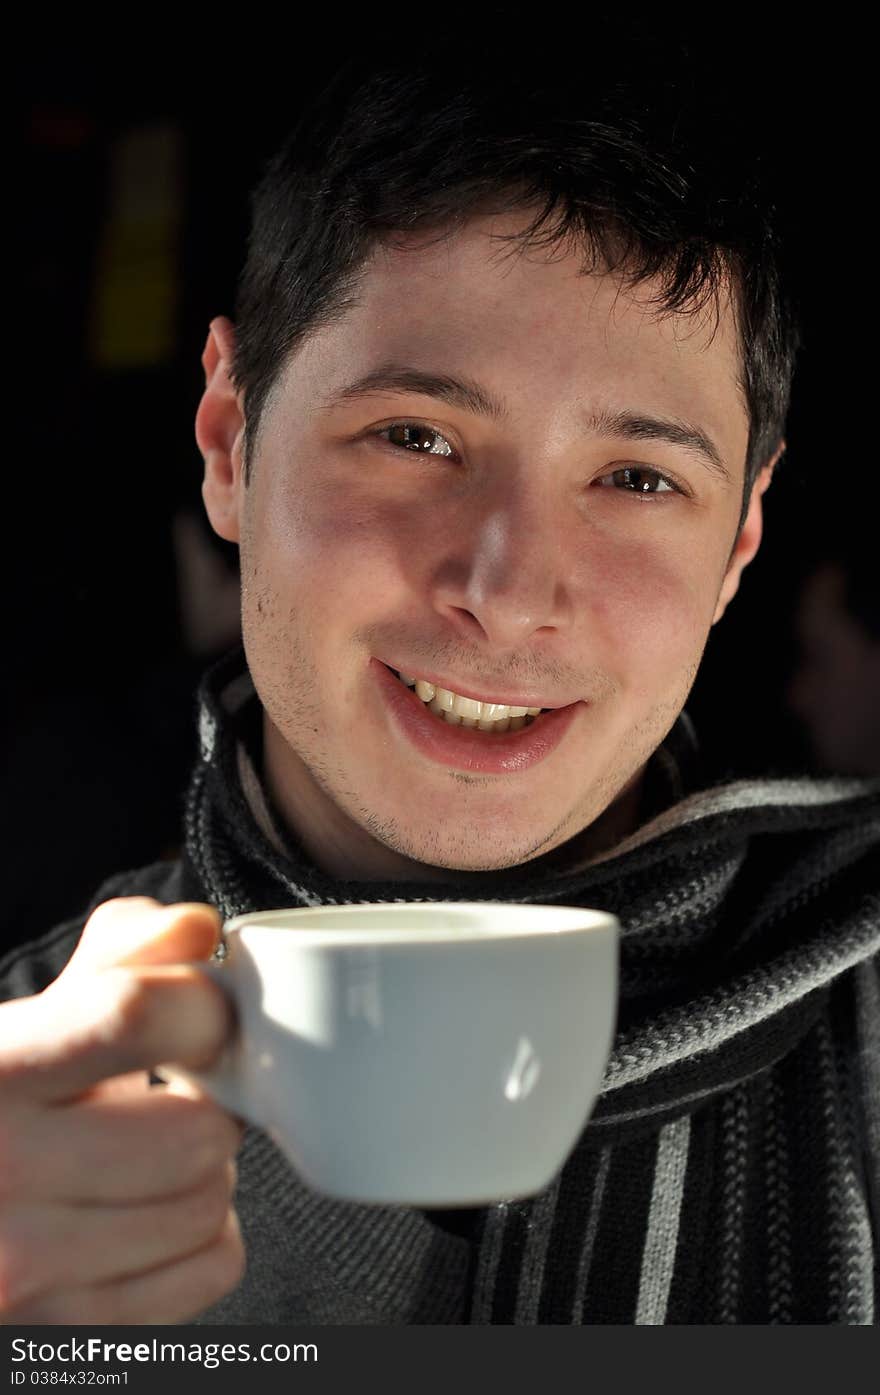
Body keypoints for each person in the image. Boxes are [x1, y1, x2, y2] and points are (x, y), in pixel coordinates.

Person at [2, 39, 878, 1327]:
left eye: (638, 478)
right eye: (417, 438)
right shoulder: (29, 1071)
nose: (510, 589)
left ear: (739, 541)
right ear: (231, 443)